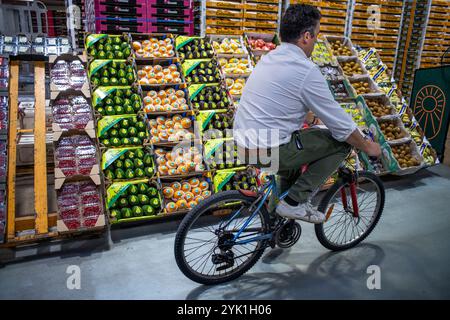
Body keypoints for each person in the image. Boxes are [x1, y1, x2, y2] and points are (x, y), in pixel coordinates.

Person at [233, 4, 381, 224]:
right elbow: (341, 125)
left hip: (242, 145)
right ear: (306, 36)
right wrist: (369, 147)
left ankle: (275, 220)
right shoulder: (305, 69)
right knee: (342, 143)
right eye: (316, 36)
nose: (316, 41)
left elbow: (280, 103)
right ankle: (294, 203)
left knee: (292, 166)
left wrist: (311, 119)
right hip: (269, 151)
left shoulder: (269, 57)